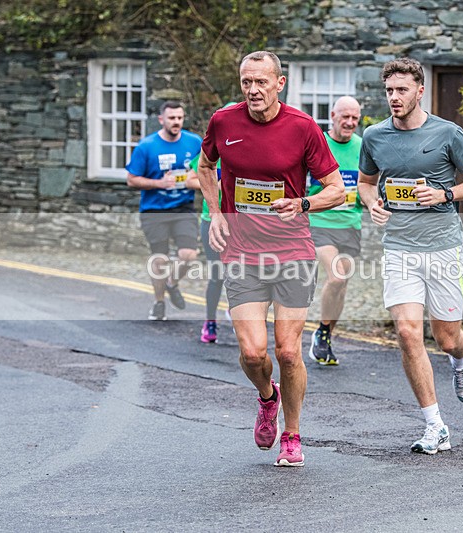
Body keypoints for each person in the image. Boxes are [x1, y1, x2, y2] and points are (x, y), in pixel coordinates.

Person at [197, 51, 344, 467]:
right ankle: (267, 397)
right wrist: (217, 212)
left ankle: (293, 436)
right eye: (246, 82)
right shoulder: (223, 122)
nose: (253, 90)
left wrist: (303, 203)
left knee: (288, 352)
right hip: (241, 252)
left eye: (261, 82)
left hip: (293, 251)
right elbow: (205, 167)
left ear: (280, 83)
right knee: (253, 354)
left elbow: (337, 190)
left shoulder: (302, 128)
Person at [357, 58, 463, 454]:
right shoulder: (375, 136)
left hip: (444, 247)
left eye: (401, 90)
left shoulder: (448, 133)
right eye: (389, 91)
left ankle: (462, 361)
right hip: (399, 247)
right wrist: (372, 204)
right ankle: (435, 425)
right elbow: (366, 183)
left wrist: (444, 194)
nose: (394, 98)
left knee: (447, 338)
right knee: (407, 332)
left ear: (419, 91)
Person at [126, 101, 202, 320]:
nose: (176, 122)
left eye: (179, 118)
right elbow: (131, 180)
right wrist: (158, 184)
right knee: (159, 259)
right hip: (154, 210)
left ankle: (172, 283)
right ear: (161, 120)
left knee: (189, 255)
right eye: (171, 118)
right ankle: (159, 303)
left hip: (182, 208)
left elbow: (202, 170)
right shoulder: (147, 146)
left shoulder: (194, 142)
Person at [307, 96, 363, 366]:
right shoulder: (319, 143)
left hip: (351, 225)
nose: (350, 123)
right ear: (333, 115)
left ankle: (325, 334)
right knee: (337, 277)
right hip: (321, 223)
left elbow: (368, 183)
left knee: (342, 287)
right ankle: (322, 333)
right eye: (345, 117)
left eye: (355, 118)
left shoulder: (362, 147)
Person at [187, 102, 238, 343]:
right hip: (213, 221)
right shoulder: (212, 147)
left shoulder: (246, 148)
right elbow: (190, 180)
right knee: (218, 273)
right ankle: (209, 321)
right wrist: (214, 185)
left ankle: (238, 314)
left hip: (240, 223)